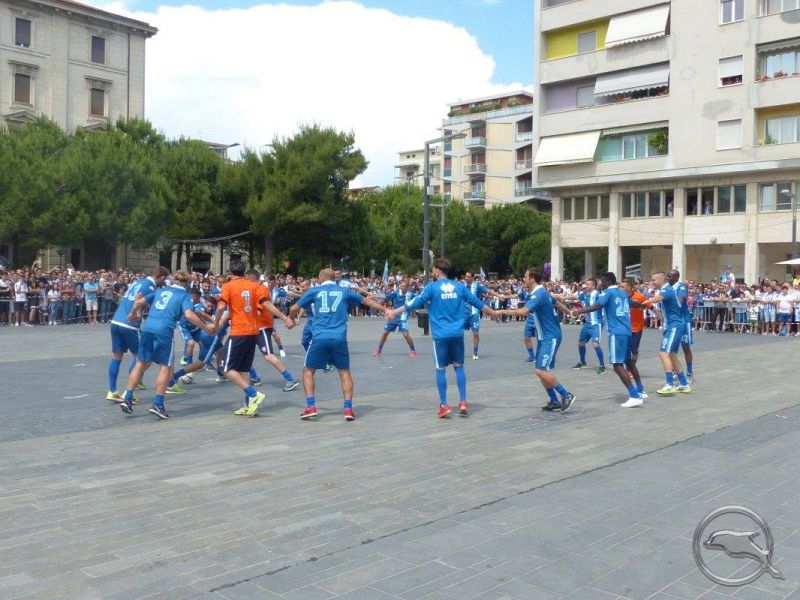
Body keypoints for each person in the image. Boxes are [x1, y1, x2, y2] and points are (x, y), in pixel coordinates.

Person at [387, 258, 498, 418]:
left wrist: (393, 312)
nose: (432, 272)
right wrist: (493, 313)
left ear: (438, 271)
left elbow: (413, 303)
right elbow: (477, 302)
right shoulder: (460, 287)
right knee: (459, 367)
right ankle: (463, 402)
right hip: (457, 334)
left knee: (441, 370)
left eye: (433, 270)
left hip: (440, 335)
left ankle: (444, 405)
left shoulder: (431, 288)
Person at [289, 268, 387, 421]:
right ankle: (348, 409)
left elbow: (294, 308)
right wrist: (385, 310)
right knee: (344, 372)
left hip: (320, 337)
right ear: (334, 278)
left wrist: (290, 319)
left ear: (320, 279)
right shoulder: (344, 291)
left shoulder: (314, 291)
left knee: (308, 371)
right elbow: (366, 300)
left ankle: (311, 406)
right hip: (339, 337)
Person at [120, 271, 214, 419]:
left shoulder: (161, 290)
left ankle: (128, 398)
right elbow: (189, 314)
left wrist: (133, 314)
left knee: (140, 362)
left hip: (148, 327)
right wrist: (205, 327)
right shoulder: (184, 296)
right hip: (164, 330)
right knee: (165, 367)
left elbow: (139, 301)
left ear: (174, 280)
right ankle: (158, 403)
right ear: (187, 283)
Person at [213, 260, 294, 417]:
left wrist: (217, 324)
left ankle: (253, 394)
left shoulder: (228, 286)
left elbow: (221, 307)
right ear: (244, 272)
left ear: (230, 272)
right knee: (243, 369)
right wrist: (285, 318)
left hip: (239, 332)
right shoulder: (255, 286)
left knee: (225, 367)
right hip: (254, 332)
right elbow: (267, 304)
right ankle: (249, 406)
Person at [498, 268, 575, 412]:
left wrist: (501, 312)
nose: (523, 279)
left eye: (525, 277)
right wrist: (569, 311)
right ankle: (554, 400)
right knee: (541, 370)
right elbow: (556, 303)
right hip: (543, 336)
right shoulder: (542, 292)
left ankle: (566, 395)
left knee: (540, 371)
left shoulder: (539, 294)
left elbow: (522, 312)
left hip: (550, 336)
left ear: (532, 278)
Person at [574, 272, 642, 408]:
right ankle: (640, 389)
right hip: (627, 331)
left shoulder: (608, 293)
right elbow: (633, 304)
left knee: (617, 365)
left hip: (616, 332)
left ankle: (634, 395)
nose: (600, 284)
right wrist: (643, 305)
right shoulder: (622, 293)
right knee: (628, 361)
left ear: (606, 281)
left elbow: (598, 305)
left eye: (601, 282)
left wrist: (580, 311)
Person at [106, 267, 168, 402]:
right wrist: (137, 314)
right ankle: (129, 391)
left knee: (116, 356)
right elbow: (138, 300)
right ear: (162, 278)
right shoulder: (150, 286)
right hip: (129, 323)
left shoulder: (138, 281)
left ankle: (112, 390)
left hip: (116, 320)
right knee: (141, 357)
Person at [242, 269, 300, 393]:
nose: (244, 281)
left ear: (251, 278)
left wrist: (284, 318)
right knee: (244, 354)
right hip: (253, 327)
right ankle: (254, 377)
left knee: (268, 355)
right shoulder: (253, 289)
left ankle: (291, 379)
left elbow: (262, 308)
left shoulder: (260, 289)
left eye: (246, 279)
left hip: (261, 327)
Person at [643, 271, 691, 395]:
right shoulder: (667, 289)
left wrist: (645, 302)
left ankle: (669, 384)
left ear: (661, 280)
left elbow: (659, 298)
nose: (652, 282)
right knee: (672, 355)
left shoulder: (666, 290)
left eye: (654, 279)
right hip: (673, 325)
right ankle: (684, 384)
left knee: (663, 353)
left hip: (674, 325)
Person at [371, 280, 417, 358]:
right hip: (394, 316)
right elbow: (385, 296)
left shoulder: (411, 295)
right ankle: (378, 349)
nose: (402, 288)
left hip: (403, 317)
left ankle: (413, 351)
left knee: (405, 335)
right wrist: (374, 296)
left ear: (407, 287)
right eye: (401, 286)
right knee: (385, 333)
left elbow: (421, 298)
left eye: (404, 286)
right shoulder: (396, 293)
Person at [620, 279, 647, 399]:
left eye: (623, 287)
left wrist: (660, 316)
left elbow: (649, 306)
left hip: (637, 328)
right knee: (627, 351)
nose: (621, 289)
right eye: (620, 287)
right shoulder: (620, 297)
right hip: (626, 329)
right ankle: (630, 369)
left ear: (630, 288)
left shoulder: (640, 296)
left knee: (634, 350)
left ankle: (632, 367)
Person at [573, 279, 606, 374]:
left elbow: (599, 306)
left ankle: (602, 366)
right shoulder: (585, 294)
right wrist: (561, 297)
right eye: (585, 284)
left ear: (593, 286)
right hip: (587, 323)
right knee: (581, 343)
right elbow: (576, 297)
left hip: (596, 323)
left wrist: (579, 311)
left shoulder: (597, 295)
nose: (585, 286)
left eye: (588, 284)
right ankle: (583, 362)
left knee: (596, 344)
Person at [462, 271, 495, 360]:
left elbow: (488, 291)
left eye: (468, 277)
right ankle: (458, 352)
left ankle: (475, 352)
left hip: (474, 314)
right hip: (463, 314)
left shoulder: (477, 286)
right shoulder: (461, 286)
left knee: (476, 334)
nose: (466, 278)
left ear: (472, 278)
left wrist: (499, 295)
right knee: (458, 333)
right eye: (466, 276)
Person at [669, 270, 694, 382]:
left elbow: (680, 300)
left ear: (675, 277)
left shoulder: (681, 287)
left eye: (669, 276)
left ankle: (689, 373)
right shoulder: (667, 288)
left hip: (684, 321)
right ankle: (676, 371)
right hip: (673, 322)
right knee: (671, 349)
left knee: (685, 347)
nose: (667, 278)